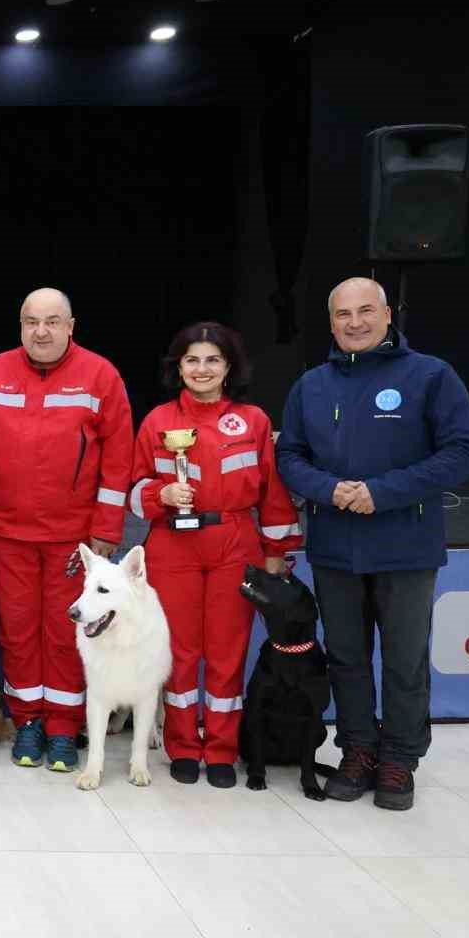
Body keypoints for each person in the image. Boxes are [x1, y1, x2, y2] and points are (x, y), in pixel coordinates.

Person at [276, 277, 469, 810]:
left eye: (366, 311)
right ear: (331, 323)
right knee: (345, 656)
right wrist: (327, 488)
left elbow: (463, 451)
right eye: (343, 314)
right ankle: (358, 750)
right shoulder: (311, 386)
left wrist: (382, 493)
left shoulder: (431, 376)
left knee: (404, 659)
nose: (355, 323)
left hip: (406, 546)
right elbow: (290, 457)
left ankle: (399, 759)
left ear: (388, 315)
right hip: (336, 547)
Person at [0, 287, 132, 772]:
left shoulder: (100, 376)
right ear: (20, 326)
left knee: (63, 632)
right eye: (31, 322)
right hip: (7, 534)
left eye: (52, 322)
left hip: (74, 538)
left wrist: (105, 529)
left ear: (71, 327)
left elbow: (119, 459)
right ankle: (28, 723)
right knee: (16, 631)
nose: (41, 331)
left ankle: (63, 728)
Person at [128, 322, 301, 788]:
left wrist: (277, 553)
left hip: (234, 543)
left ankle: (221, 750)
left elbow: (273, 494)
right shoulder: (157, 422)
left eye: (212, 360)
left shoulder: (253, 421)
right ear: (178, 367)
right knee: (180, 654)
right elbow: (135, 489)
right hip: (172, 546)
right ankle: (184, 747)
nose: (201, 369)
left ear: (228, 368)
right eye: (192, 360)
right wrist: (160, 497)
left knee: (227, 654)